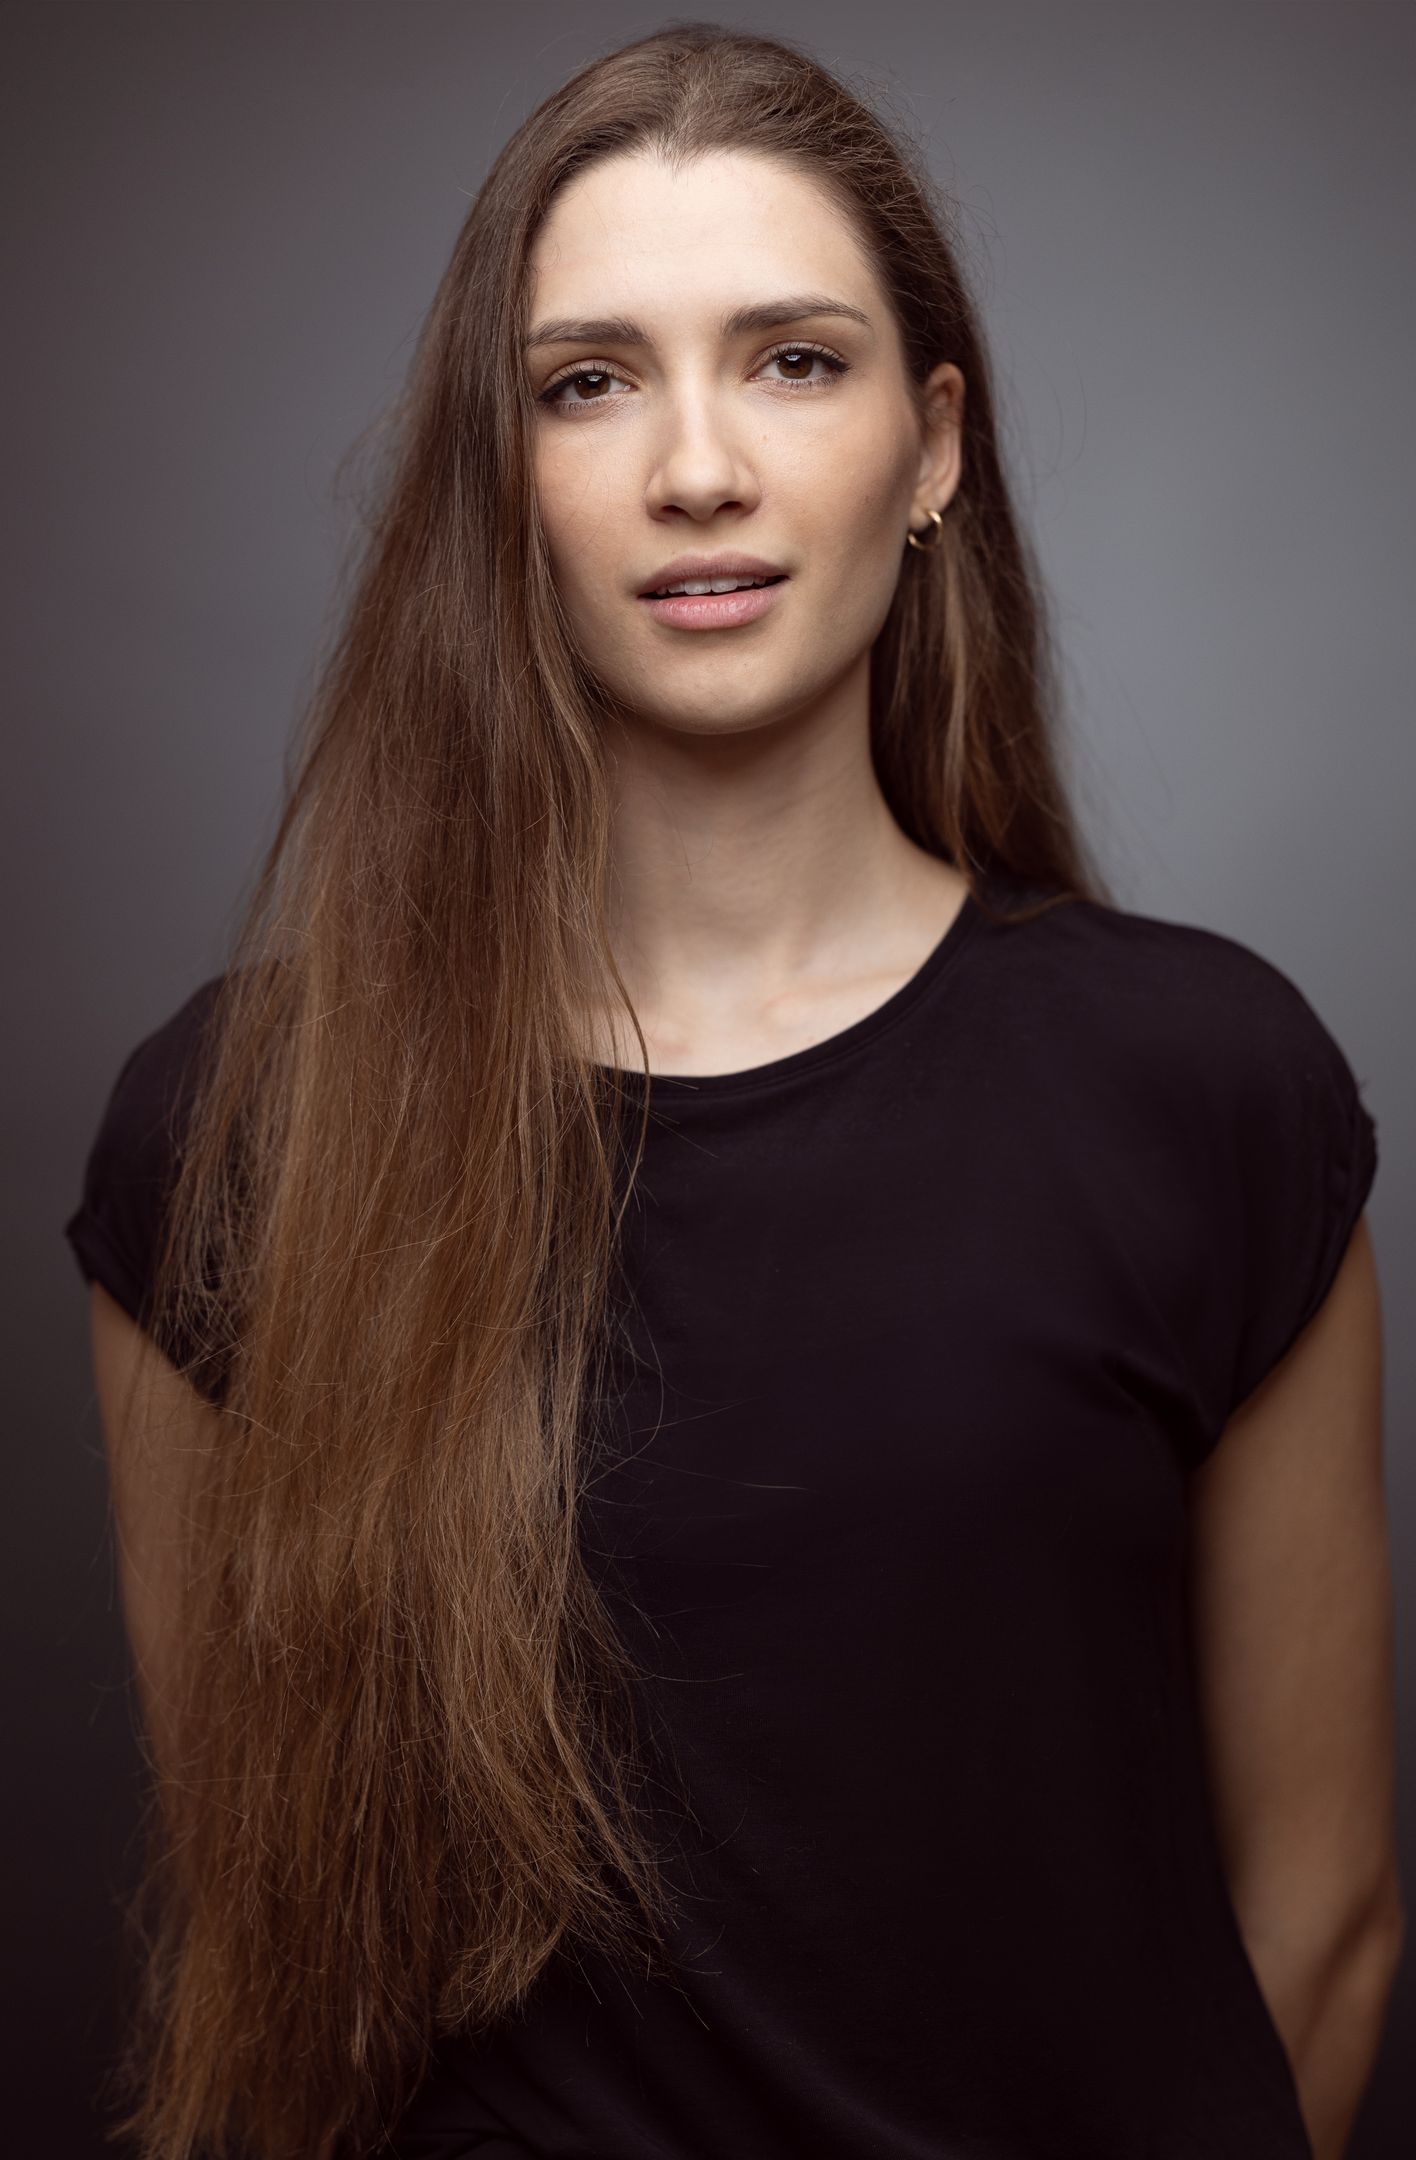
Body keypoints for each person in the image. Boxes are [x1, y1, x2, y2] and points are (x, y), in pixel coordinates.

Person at [63, 22, 1402, 2160]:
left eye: (793, 361)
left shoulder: (1207, 1088)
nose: (698, 466)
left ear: (933, 445)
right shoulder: (237, 1135)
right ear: (501, 476)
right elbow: (272, 1962)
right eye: (590, 383)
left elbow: (1323, 1921)